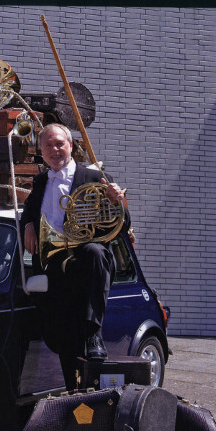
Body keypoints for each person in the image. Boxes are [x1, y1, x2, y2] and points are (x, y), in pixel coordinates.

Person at [19, 123, 129, 389]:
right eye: (48, 145)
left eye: (60, 143)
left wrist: (116, 202)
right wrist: (28, 224)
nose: (54, 149)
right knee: (64, 341)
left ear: (71, 145)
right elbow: (30, 211)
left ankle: (94, 333)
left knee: (94, 250)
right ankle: (73, 396)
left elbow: (122, 225)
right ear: (41, 150)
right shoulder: (41, 181)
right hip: (54, 268)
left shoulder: (95, 177)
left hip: (87, 267)